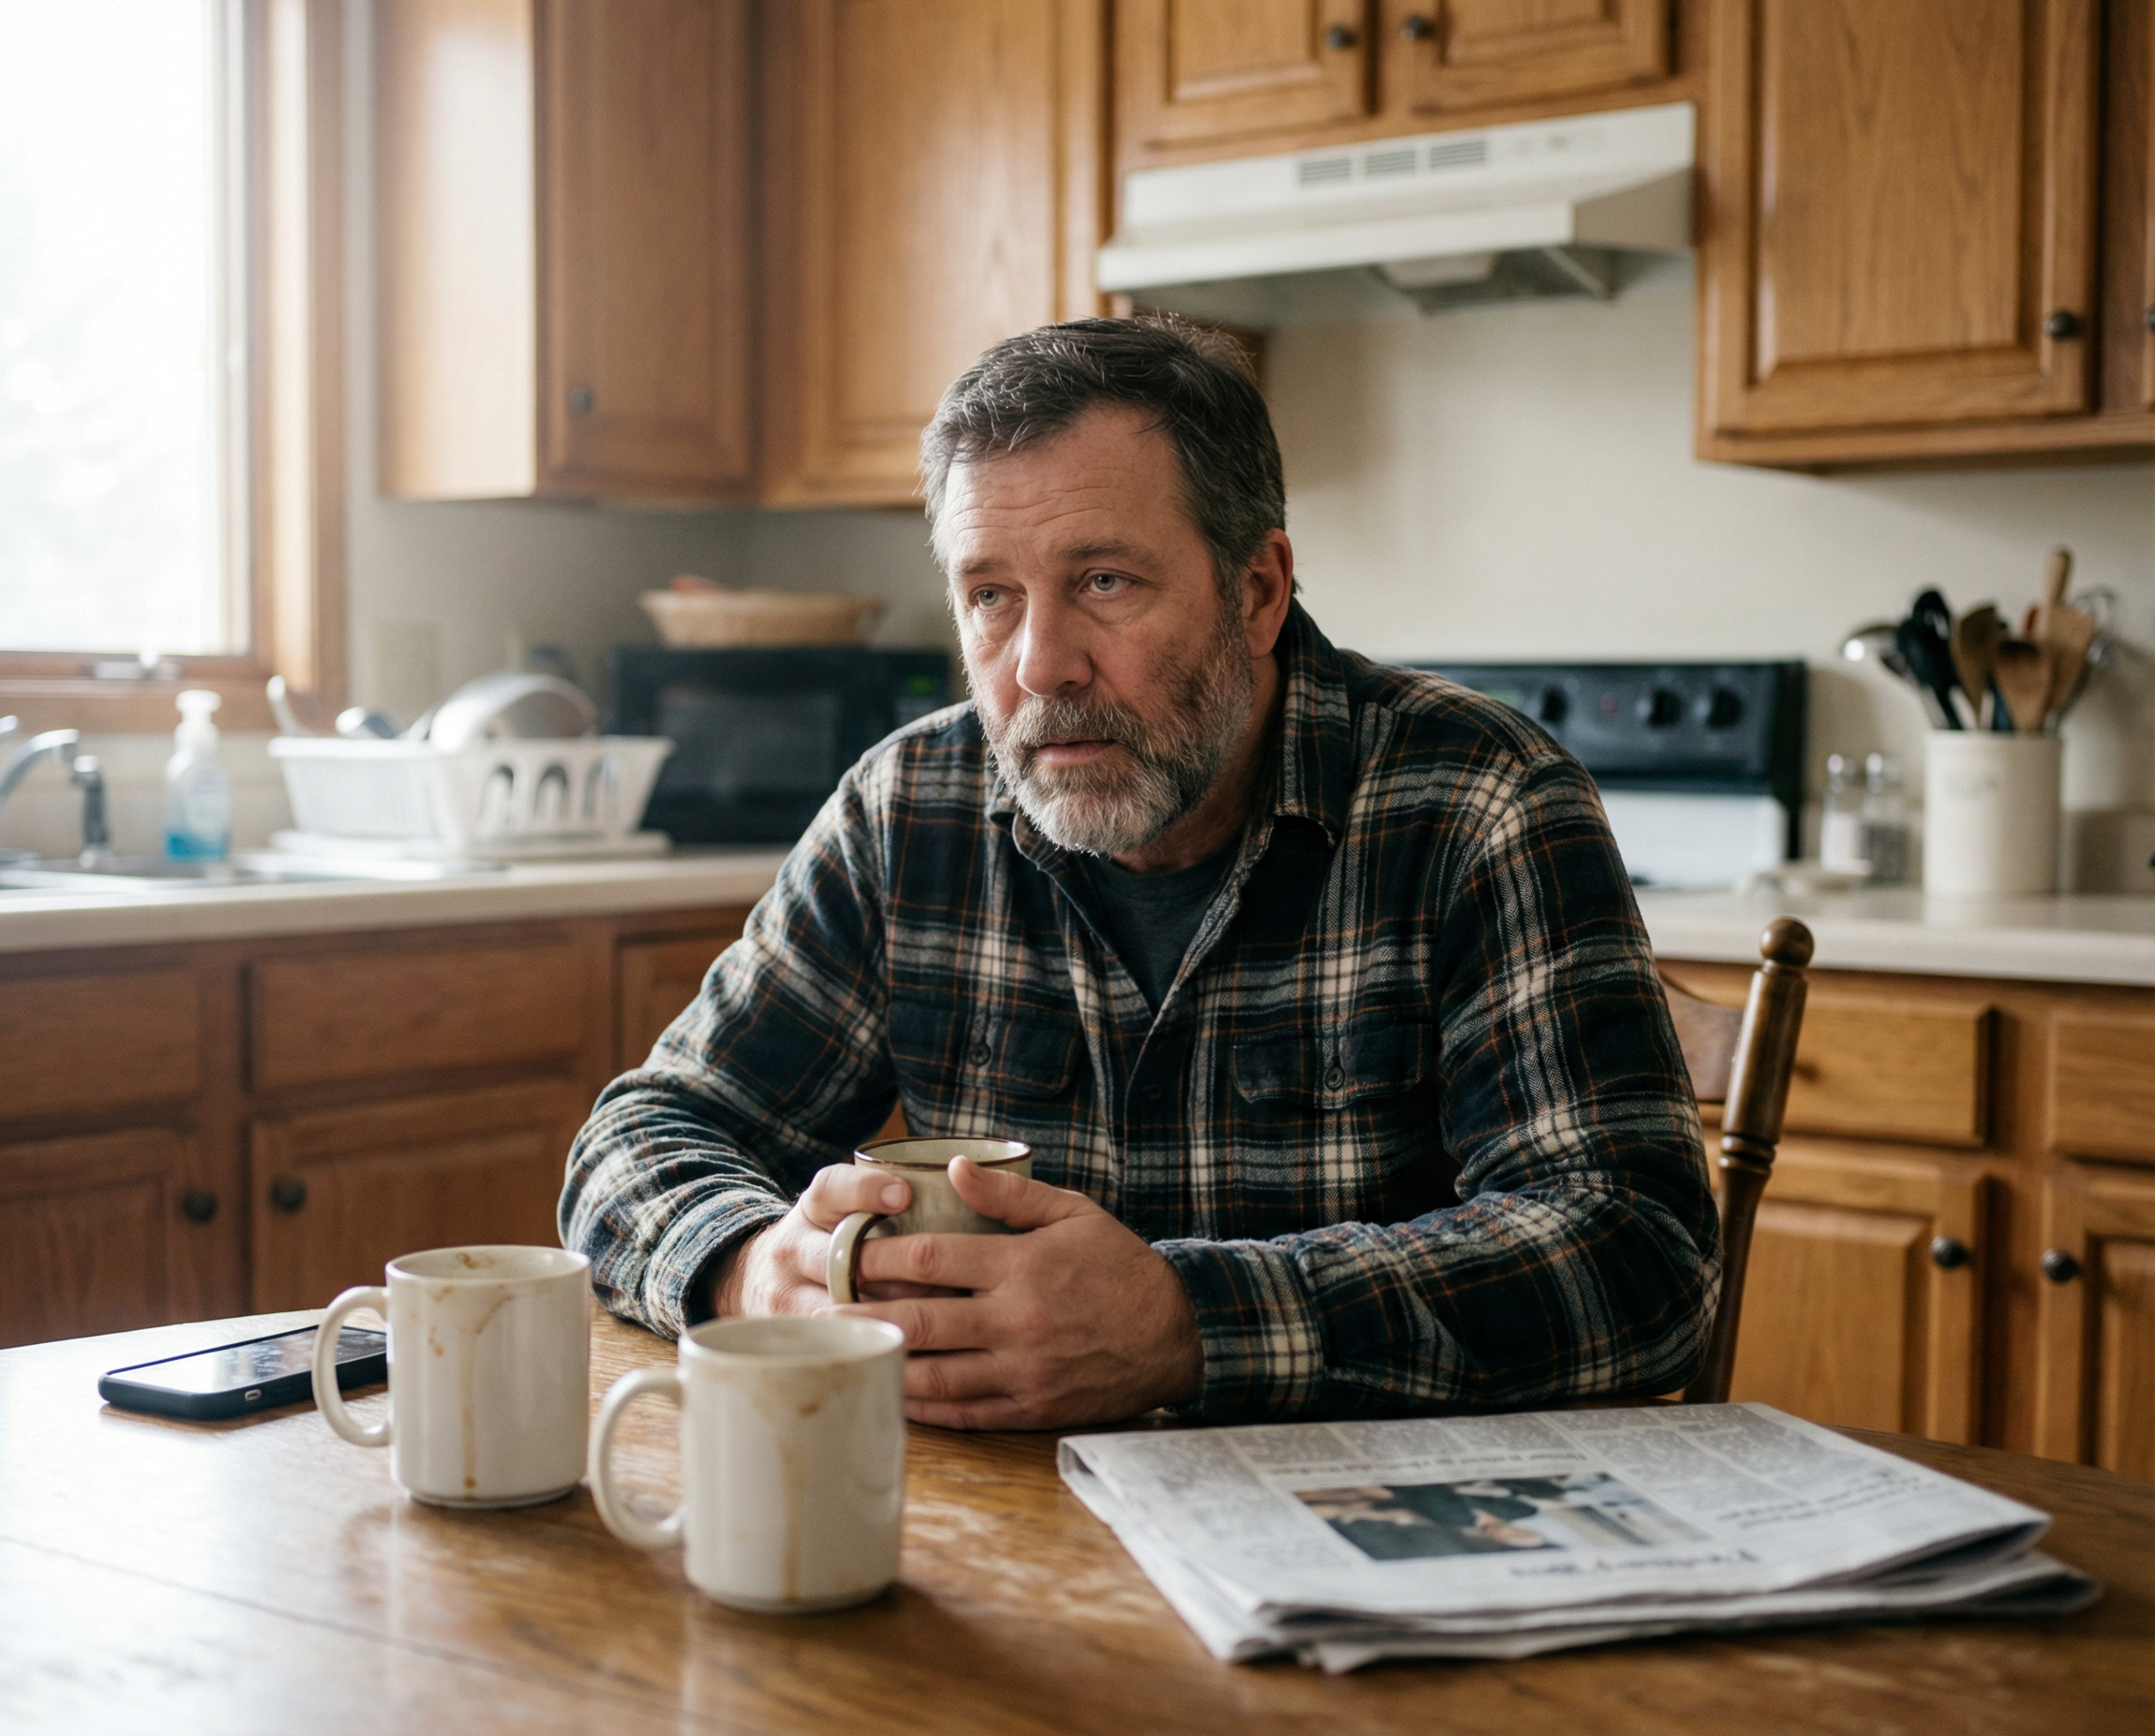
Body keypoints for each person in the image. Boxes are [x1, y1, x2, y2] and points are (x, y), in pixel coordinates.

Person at [561, 316, 1718, 1430]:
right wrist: (752, 1268)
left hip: (1386, 1548)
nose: (1040, 665)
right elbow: (639, 1137)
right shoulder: (907, 806)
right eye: (990, 595)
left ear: (1259, 591)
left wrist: (1188, 1323)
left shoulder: (1481, 798)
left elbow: (1638, 1256)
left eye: (1105, 580)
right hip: (1006, 1540)